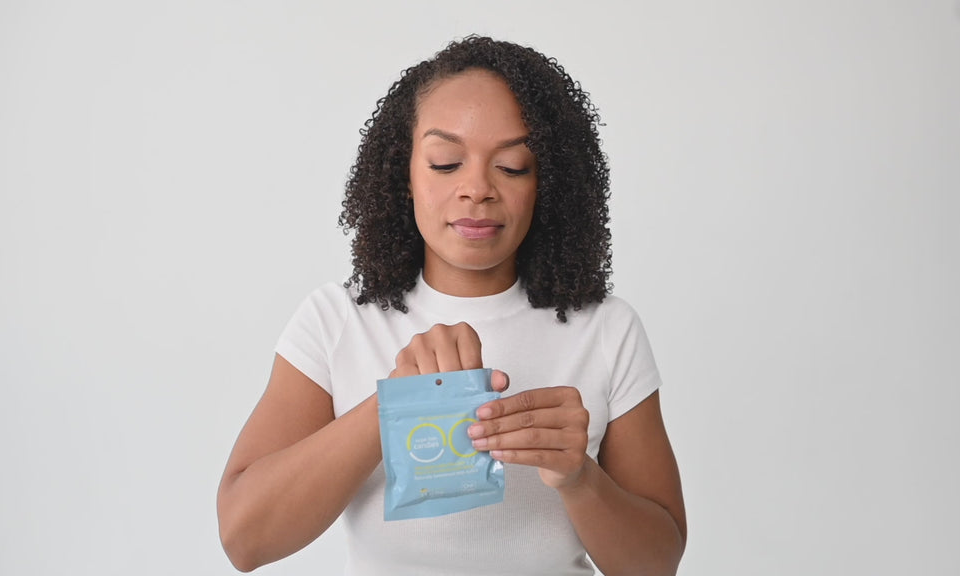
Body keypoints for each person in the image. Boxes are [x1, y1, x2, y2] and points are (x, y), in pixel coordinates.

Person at [217, 36, 686, 575]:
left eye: (512, 166)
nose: (477, 189)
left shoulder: (606, 330)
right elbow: (244, 540)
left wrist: (580, 478)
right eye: (445, 163)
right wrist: (392, 408)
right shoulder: (337, 321)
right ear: (404, 174)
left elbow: (658, 563)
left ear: (548, 185)